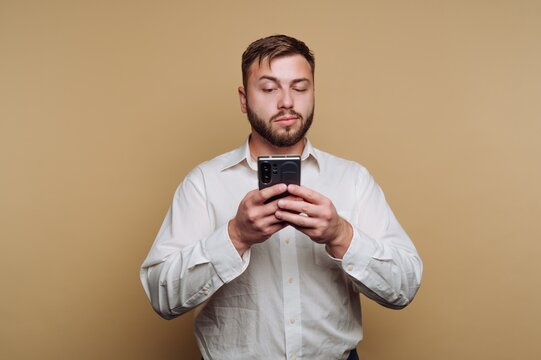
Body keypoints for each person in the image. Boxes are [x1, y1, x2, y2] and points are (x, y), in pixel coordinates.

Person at [140, 34, 423, 360]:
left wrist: (341, 235)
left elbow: (405, 287)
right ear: (244, 99)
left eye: (300, 88)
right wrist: (235, 237)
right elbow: (161, 296)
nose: (287, 101)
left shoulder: (353, 179)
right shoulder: (204, 182)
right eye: (270, 88)